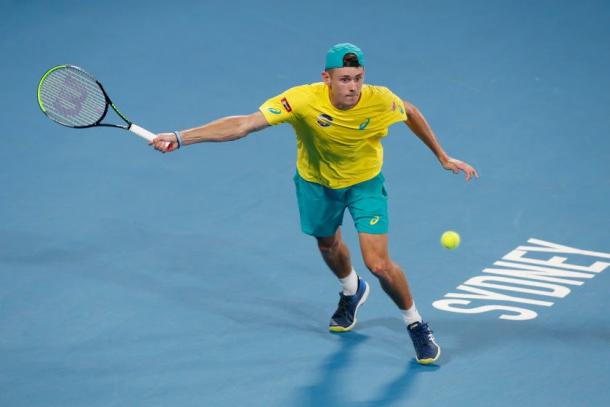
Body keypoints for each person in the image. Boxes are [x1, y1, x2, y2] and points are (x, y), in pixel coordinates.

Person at [151, 43, 478, 365]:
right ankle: (352, 290)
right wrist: (182, 137)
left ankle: (415, 323)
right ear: (327, 78)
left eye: (358, 78)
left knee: (378, 264)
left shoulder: (380, 100)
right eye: (345, 79)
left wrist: (442, 156)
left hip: (365, 185)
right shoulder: (302, 100)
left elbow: (409, 112)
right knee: (327, 245)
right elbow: (245, 124)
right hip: (316, 185)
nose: (353, 87)